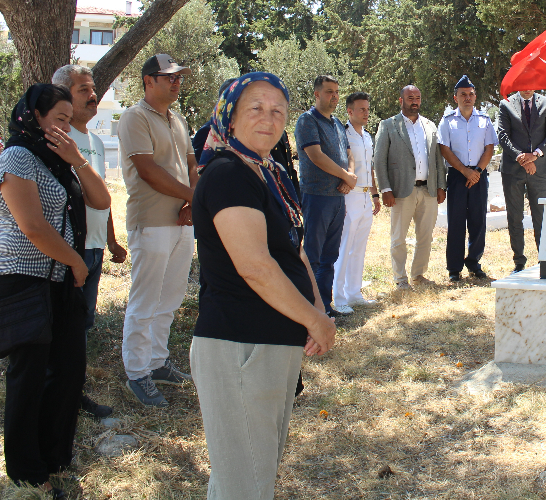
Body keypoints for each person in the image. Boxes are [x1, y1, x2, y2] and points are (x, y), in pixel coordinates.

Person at [190, 72, 336, 500]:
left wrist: (317, 311)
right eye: (255, 108)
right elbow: (255, 266)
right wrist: (315, 319)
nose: (268, 119)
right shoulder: (226, 175)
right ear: (229, 117)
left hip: (268, 344)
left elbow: (296, 252)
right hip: (240, 345)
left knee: (246, 477)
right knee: (246, 484)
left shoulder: (269, 174)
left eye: (277, 111)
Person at [0, 84, 111, 498]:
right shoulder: (17, 157)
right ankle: (26, 470)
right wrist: (77, 261)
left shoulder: (62, 161)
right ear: (35, 118)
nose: (65, 125)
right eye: (58, 118)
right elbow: (33, 226)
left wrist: (77, 161)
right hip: (23, 279)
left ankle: (55, 457)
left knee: (69, 369)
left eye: (67, 117)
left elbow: (101, 199)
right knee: (29, 376)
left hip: (60, 282)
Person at [117, 53, 198, 407]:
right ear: (148, 81)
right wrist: (192, 196)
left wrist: (192, 202)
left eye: (179, 77)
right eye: (169, 77)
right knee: (145, 300)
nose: (176, 82)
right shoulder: (134, 118)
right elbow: (148, 171)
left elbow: (192, 163)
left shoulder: (177, 119)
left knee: (170, 298)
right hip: (150, 221)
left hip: (182, 221)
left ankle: (158, 362)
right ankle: (137, 373)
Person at [52, 64, 127, 421]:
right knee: (64, 322)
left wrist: (110, 240)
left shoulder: (95, 140)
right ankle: (60, 392)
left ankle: (73, 390)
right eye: (83, 89)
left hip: (95, 248)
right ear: (63, 95)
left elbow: (101, 195)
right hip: (70, 249)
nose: (93, 95)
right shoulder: (58, 138)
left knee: (82, 323)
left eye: (93, 88)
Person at [373, 85, 448, 289]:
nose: (414, 101)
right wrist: (385, 189)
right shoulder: (388, 125)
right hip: (400, 191)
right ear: (401, 100)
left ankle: (418, 275)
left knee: (425, 236)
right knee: (399, 238)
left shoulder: (430, 126)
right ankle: (400, 278)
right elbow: (379, 160)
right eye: (410, 98)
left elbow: (437, 159)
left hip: (429, 190)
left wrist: (441, 185)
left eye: (417, 98)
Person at [294, 75, 355, 317]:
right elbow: (315, 156)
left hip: (338, 199)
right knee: (313, 256)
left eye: (337, 92)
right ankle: (310, 310)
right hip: (316, 197)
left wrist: (349, 175)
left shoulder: (337, 124)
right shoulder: (307, 121)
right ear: (317, 94)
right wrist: (345, 176)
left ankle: (325, 307)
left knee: (330, 256)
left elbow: (348, 152)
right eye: (329, 92)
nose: (335, 97)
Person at [438, 75, 497, 282]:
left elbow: (489, 148)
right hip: (457, 175)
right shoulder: (447, 121)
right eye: (463, 94)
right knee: (455, 222)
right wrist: (465, 171)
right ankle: (454, 268)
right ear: (456, 98)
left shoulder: (485, 120)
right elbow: (444, 149)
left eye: (471, 94)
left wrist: (477, 172)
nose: (467, 98)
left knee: (478, 221)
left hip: (479, 175)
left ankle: (474, 263)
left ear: (475, 96)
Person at [496, 89, 546, 271]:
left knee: (541, 217)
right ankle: (519, 262)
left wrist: (535, 156)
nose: (527, 87)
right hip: (512, 170)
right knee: (515, 217)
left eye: (531, 83)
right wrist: (521, 158)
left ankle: (544, 260)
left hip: (538, 170)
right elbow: (503, 136)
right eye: (523, 83)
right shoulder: (506, 104)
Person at [331, 92, 381, 313]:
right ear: (349, 111)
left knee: (359, 248)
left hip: (364, 196)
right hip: (349, 195)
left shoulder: (368, 136)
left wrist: (375, 194)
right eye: (362, 109)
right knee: (344, 247)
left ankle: (354, 293)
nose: (366, 113)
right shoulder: (342, 134)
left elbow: (369, 168)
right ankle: (339, 298)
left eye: (367, 109)